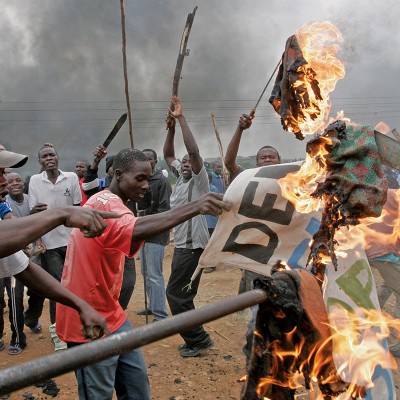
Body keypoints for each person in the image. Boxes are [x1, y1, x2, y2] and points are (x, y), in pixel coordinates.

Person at [56, 146, 229, 399]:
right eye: (139, 178)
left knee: (137, 386)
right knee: (98, 394)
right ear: (117, 175)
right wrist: (195, 207)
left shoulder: (118, 204)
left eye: (148, 179)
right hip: (86, 319)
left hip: (112, 313)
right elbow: (136, 228)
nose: (146, 185)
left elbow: (135, 229)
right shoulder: (106, 205)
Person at [163, 96, 215, 358]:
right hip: (182, 247)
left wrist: (181, 118)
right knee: (183, 294)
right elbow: (168, 154)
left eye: (188, 163)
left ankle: (199, 339)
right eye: (182, 164)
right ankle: (196, 338)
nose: (184, 165)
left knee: (176, 295)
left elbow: (192, 152)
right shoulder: (181, 181)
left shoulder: (198, 181)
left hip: (193, 248)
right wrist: (170, 127)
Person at [28, 144, 82, 351]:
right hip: (50, 245)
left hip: (72, 242)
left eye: (52, 155)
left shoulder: (71, 178)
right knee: (58, 288)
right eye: (44, 156)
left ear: (58, 157)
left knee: (75, 284)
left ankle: (75, 326)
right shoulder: (34, 180)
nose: (48, 158)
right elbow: (37, 213)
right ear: (40, 161)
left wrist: (79, 237)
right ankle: (58, 332)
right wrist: (38, 239)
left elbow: (77, 209)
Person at [83, 145, 137, 310]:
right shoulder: (100, 188)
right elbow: (87, 186)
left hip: (124, 238)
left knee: (128, 282)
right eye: (113, 167)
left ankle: (119, 309)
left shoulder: (130, 188)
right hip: (103, 243)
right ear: (109, 170)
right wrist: (96, 161)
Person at [136, 148, 172, 321]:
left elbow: (165, 210)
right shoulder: (141, 181)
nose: (147, 162)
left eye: (150, 159)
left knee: (155, 275)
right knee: (145, 272)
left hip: (156, 234)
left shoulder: (161, 181)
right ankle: (152, 306)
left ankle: (160, 315)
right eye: (143, 159)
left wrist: (145, 217)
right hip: (143, 233)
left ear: (155, 161)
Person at [224, 113, 281, 182]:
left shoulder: (289, 177)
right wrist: (240, 128)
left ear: (279, 161)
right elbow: (229, 164)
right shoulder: (249, 177)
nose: (267, 159)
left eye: (271, 157)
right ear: (257, 164)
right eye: (263, 158)